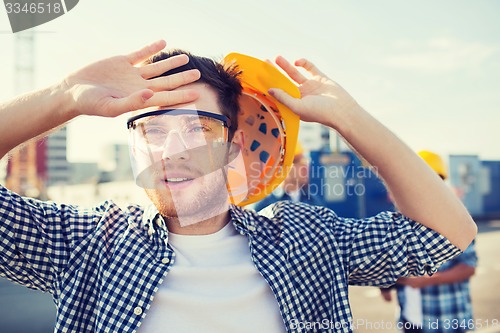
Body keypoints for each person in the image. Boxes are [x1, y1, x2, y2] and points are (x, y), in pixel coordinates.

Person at [0, 40, 477, 333]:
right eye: (154, 131)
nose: (173, 151)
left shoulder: (305, 240)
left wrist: (346, 117)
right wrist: (62, 98)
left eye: (197, 129)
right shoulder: (87, 246)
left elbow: (447, 232)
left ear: (233, 148)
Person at [380, 150, 478, 333]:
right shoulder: (401, 220)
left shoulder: (455, 220)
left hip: (447, 320)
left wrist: (427, 281)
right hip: (410, 321)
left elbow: (468, 267)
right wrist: (385, 285)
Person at [254, 142, 324, 210]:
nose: (304, 167)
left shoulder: (315, 203)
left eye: (305, 161)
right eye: (296, 161)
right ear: (279, 167)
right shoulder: (263, 205)